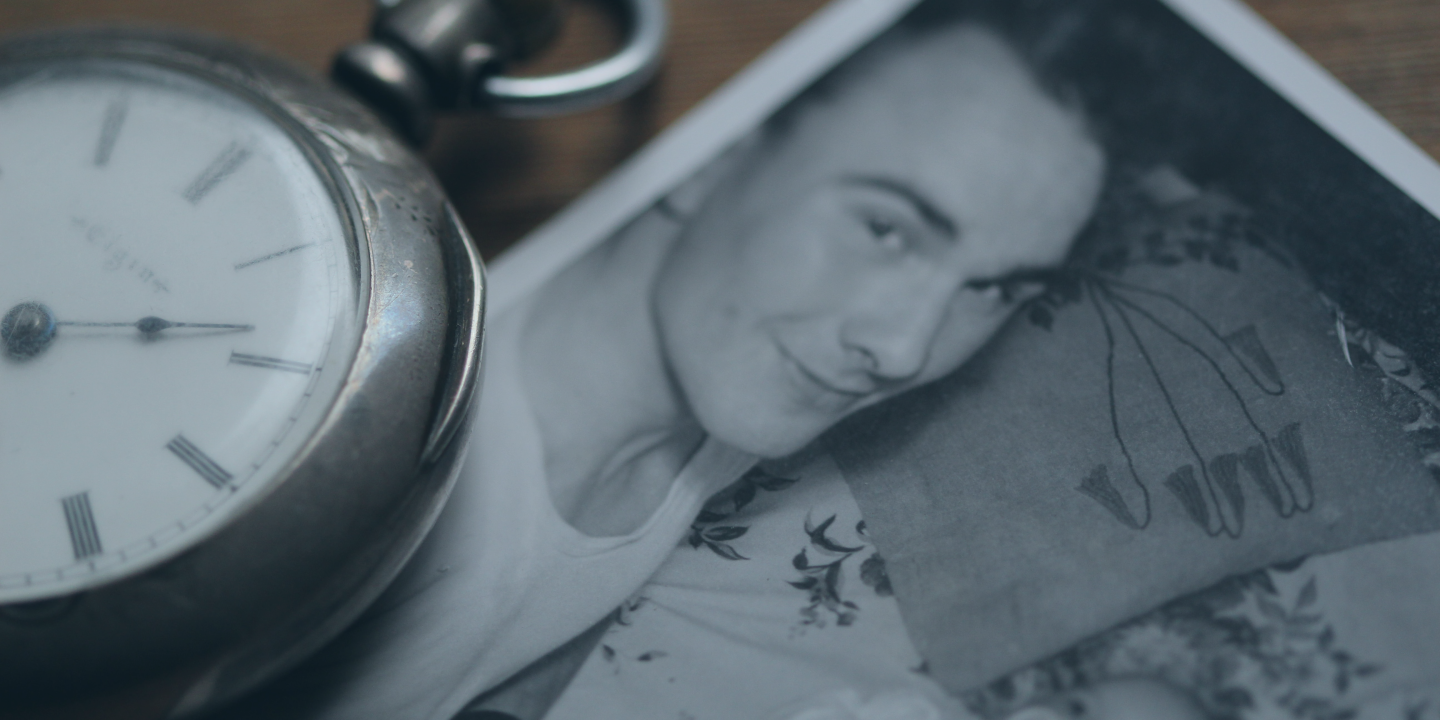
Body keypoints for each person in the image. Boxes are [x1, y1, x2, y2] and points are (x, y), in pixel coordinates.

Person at [226, 15, 1105, 720]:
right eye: (886, 229)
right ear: (723, 151)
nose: (907, 348)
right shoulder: (394, 468)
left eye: (994, 289)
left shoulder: (736, 391)